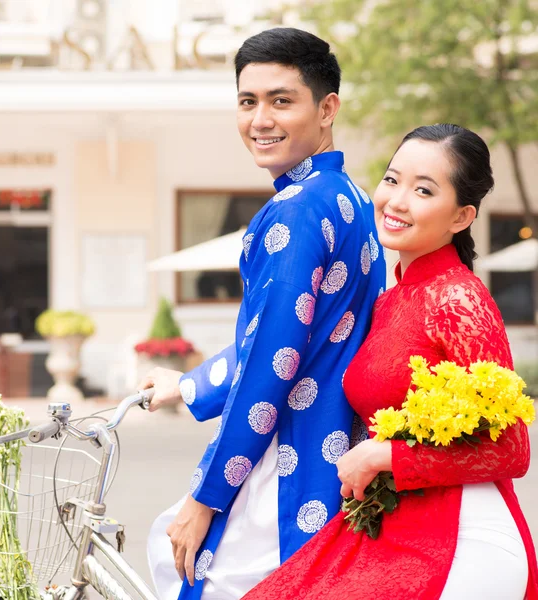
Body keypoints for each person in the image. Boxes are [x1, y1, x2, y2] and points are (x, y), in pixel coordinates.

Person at [241, 124, 538, 600]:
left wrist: (387, 455)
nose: (397, 201)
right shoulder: (392, 299)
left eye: (423, 190)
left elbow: (512, 451)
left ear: (462, 217)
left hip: (461, 538)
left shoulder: (459, 300)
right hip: (394, 524)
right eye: (392, 180)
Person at [140, 27, 385, 600]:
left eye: (281, 100)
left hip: (285, 468)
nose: (260, 119)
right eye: (248, 102)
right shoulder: (350, 196)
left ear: (327, 109)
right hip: (332, 455)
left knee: (181, 560)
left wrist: (206, 498)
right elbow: (286, 337)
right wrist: (189, 384)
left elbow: (272, 365)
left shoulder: (293, 213)